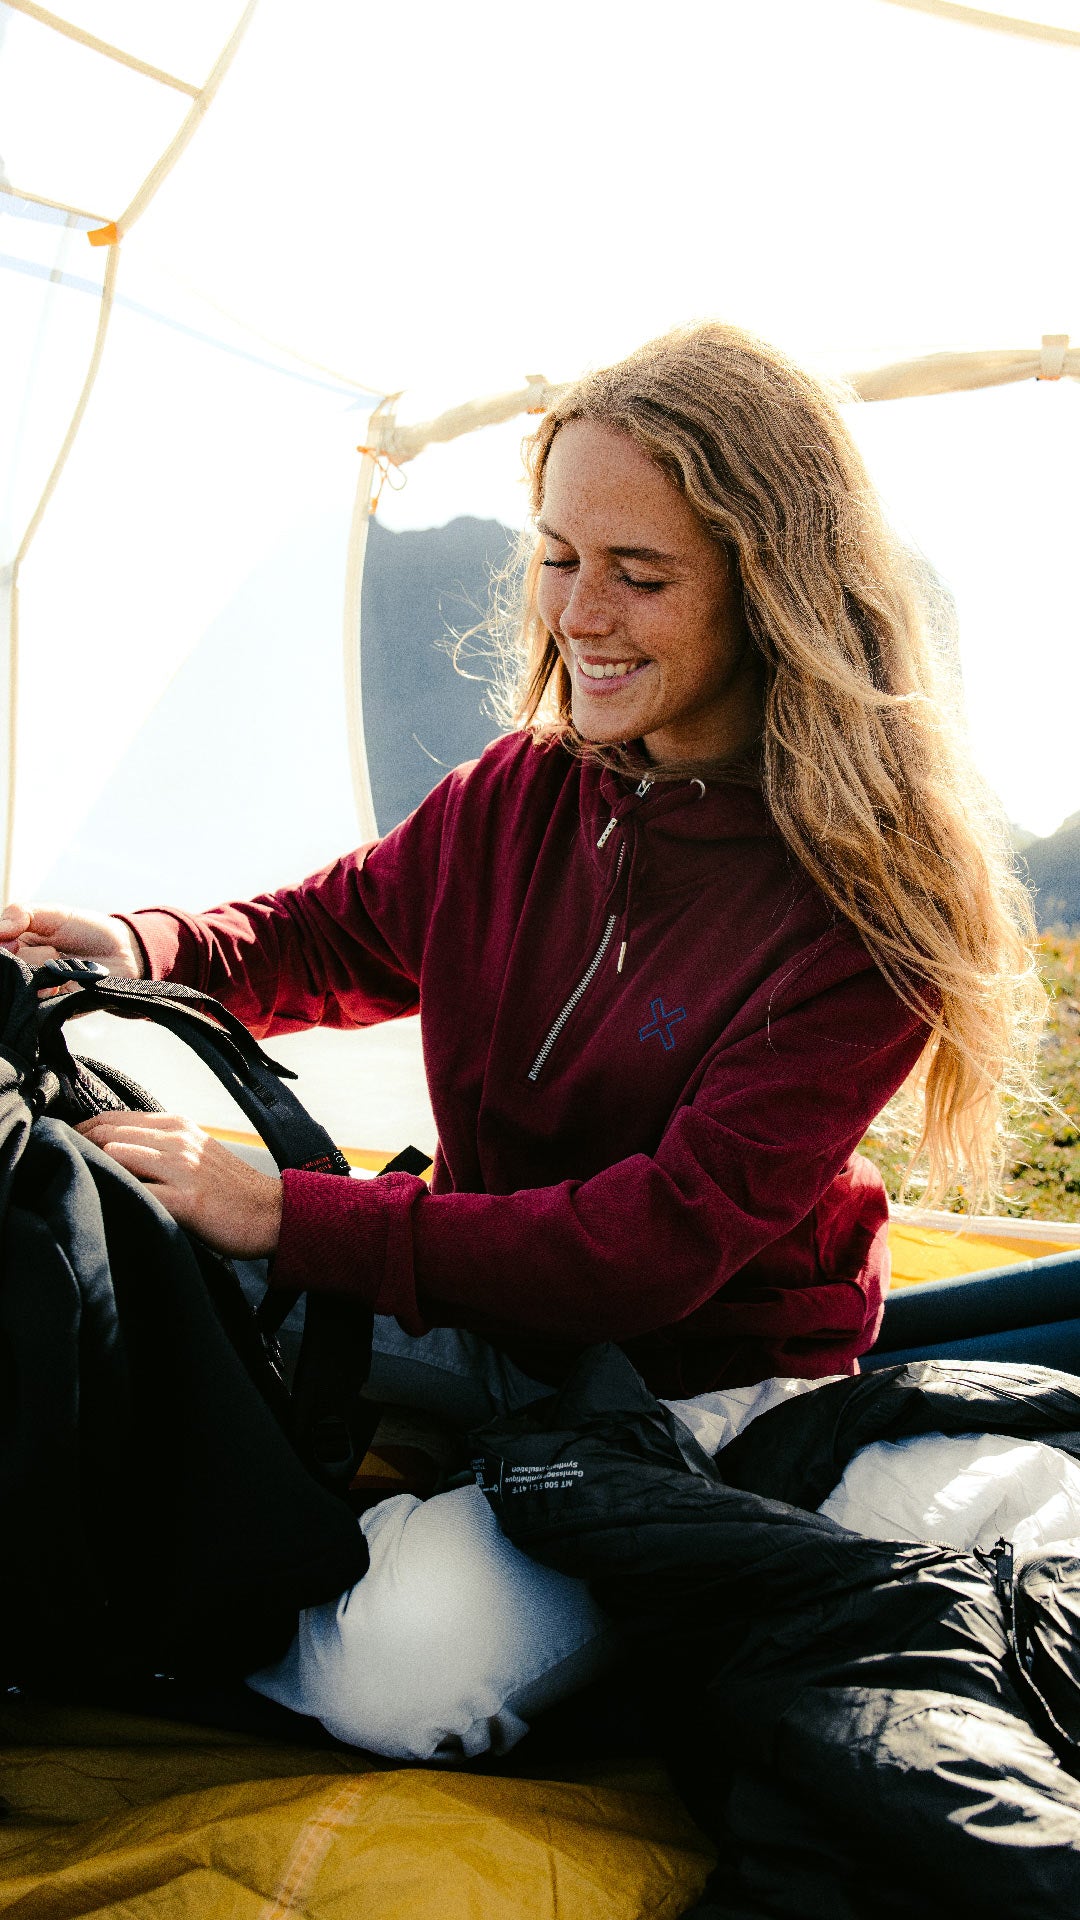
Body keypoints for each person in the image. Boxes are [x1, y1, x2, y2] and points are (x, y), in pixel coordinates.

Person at [0, 323, 1042, 1759]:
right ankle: (394, 1508)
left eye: (641, 573)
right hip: (476, 1304)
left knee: (397, 1682)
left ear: (770, 590)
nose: (580, 613)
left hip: (694, 1382)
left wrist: (287, 1214)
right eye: (558, 557)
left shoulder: (867, 901)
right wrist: (131, 947)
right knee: (102, 1280)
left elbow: (653, 1246)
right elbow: (327, 933)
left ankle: (624, 1571)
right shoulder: (521, 793)